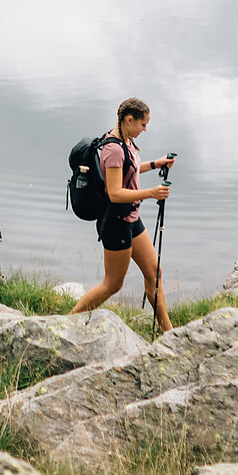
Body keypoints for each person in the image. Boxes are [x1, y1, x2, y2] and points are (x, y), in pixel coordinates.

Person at [69, 96, 174, 331]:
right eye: (143, 124)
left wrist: (156, 164)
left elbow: (132, 170)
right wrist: (152, 193)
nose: (145, 129)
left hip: (131, 218)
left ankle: (169, 333)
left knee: (153, 273)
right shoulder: (114, 149)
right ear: (129, 120)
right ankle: (68, 322)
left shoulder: (125, 140)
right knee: (113, 284)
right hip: (116, 224)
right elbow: (115, 193)